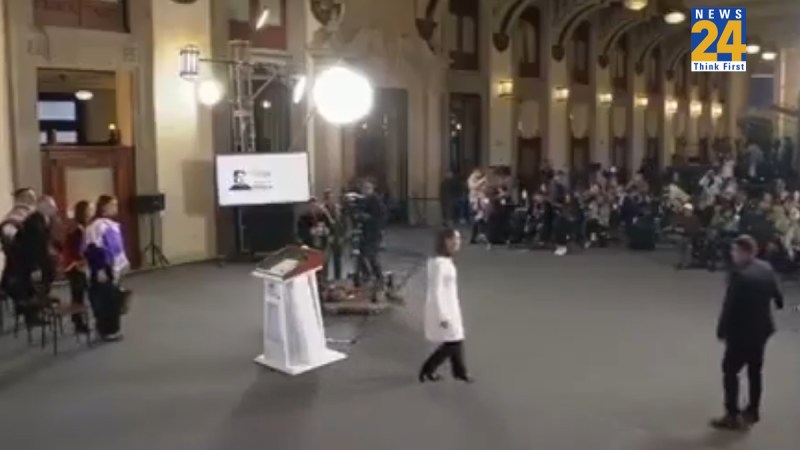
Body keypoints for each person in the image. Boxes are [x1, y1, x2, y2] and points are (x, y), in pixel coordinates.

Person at [710, 235, 784, 430]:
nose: (733, 255)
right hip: (762, 330)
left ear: (745, 252)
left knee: (730, 371)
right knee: (755, 371)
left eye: (735, 251)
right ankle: (753, 410)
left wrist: (721, 330)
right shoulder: (766, 268)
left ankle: (732, 415)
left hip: (741, 332)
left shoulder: (739, 276)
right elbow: (779, 298)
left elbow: (730, 306)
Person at [418, 228, 472, 383]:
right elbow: (436, 291)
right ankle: (428, 368)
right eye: (455, 239)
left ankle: (459, 371)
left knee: (457, 338)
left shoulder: (445, 262)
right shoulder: (439, 264)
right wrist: (442, 315)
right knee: (453, 341)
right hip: (443, 308)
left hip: (450, 306)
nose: (458, 243)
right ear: (446, 241)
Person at [85, 195, 130, 341]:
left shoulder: (113, 225)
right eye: (113, 204)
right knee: (105, 301)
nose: (116, 207)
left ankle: (112, 328)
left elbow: (117, 247)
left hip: (114, 268)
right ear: (104, 207)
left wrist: (123, 262)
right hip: (103, 268)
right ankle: (107, 330)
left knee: (114, 299)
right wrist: (99, 269)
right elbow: (93, 249)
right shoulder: (97, 226)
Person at [63, 200, 93, 334]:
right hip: (75, 266)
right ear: (83, 211)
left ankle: (77, 319)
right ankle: (78, 322)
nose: (92, 211)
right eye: (89, 209)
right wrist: (84, 260)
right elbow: (76, 249)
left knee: (79, 293)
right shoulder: (77, 228)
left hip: (77, 265)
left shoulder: (82, 226)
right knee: (78, 294)